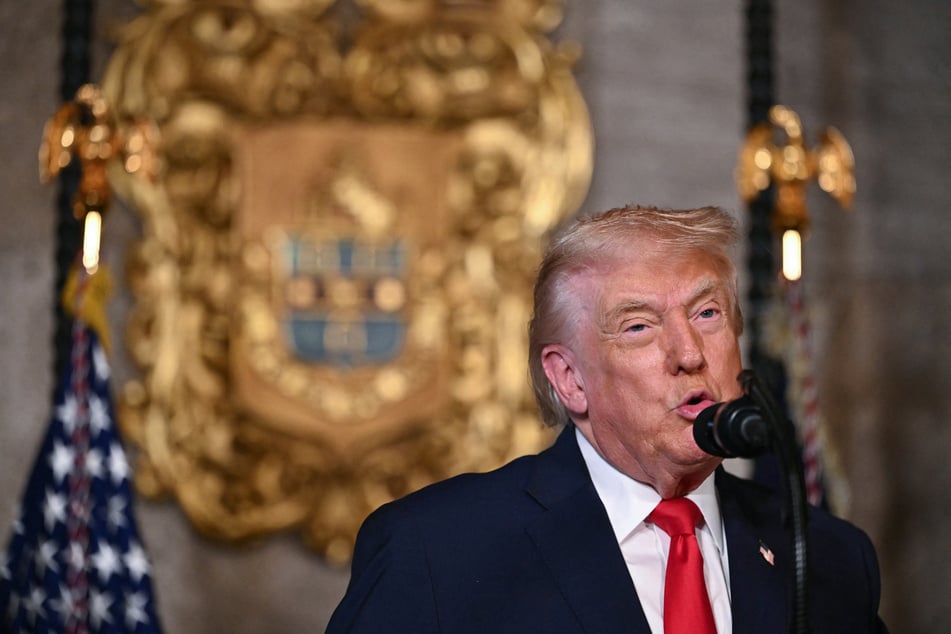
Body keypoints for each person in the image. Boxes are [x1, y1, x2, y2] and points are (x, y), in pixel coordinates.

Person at [326, 204, 887, 633]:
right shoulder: (436, 551)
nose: (689, 353)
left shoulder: (828, 556)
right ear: (570, 378)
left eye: (707, 313)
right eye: (638, 326)